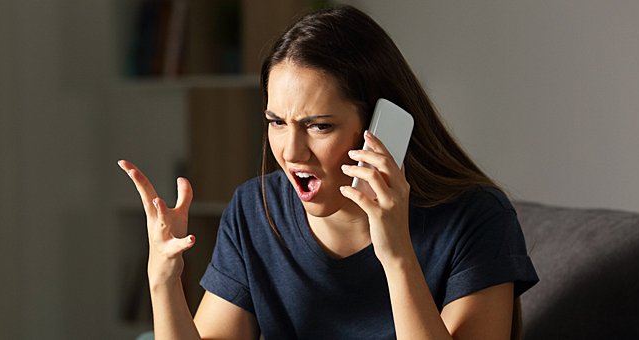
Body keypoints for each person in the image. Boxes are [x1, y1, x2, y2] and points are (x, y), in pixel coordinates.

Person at [119, 5, 538, 340]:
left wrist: (395, 253)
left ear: (380, 124)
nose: (291, 151)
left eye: (320, 126)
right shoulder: (254, 210)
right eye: (276, 122)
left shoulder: (477, 218)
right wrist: (163, 281)